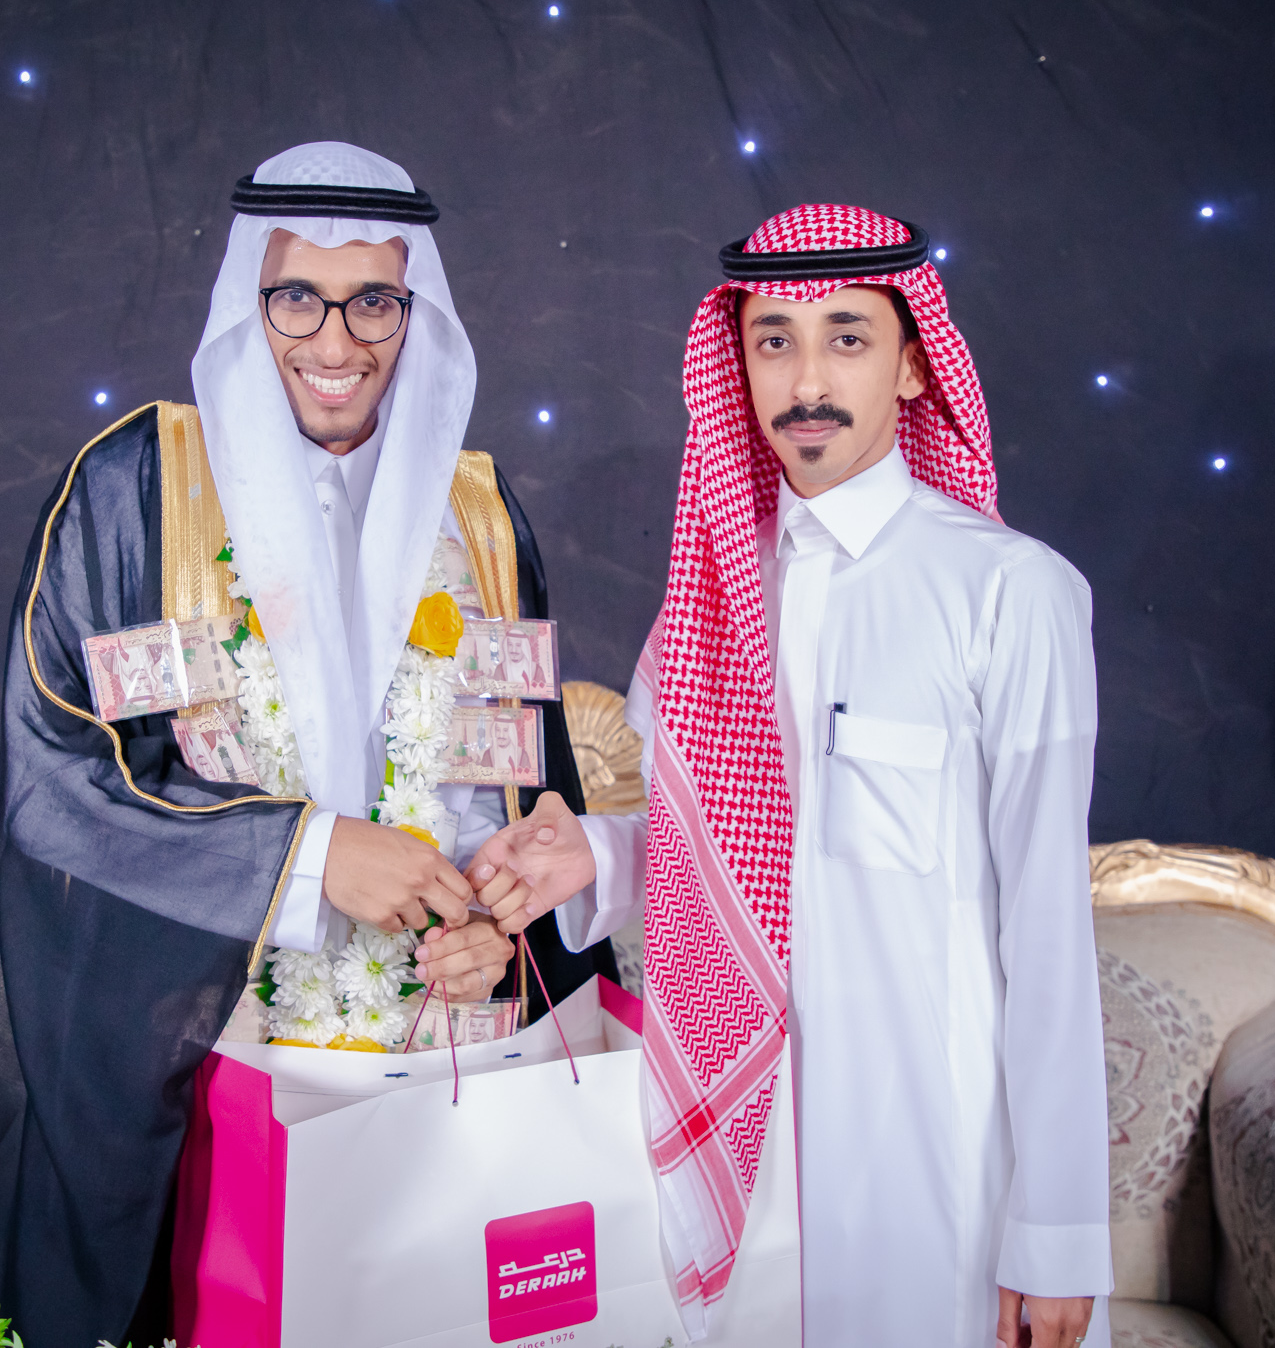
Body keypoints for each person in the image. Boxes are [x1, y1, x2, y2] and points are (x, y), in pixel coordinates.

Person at [0, 141, 615, 1346]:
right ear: (245, 301)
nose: (336, 340)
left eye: (372, 302)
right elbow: (60, 787)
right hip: (215, 1068)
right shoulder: (131, 491)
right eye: (297, 298)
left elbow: (528, 796)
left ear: (413, 311)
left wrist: (498, 929)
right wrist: (308, 858)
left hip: (436, 1065)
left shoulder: (479, 511)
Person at [470, 205, 1111, 1346]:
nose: (807, 379)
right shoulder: (710, 602)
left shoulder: (1010, 593)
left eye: (846, 337)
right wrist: (597, 855)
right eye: (775, 340)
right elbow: (744, 854)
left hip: (934, 1159)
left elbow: (1050, 928)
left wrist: (1054, 1232)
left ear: (913, 365)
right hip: (746, 1153)